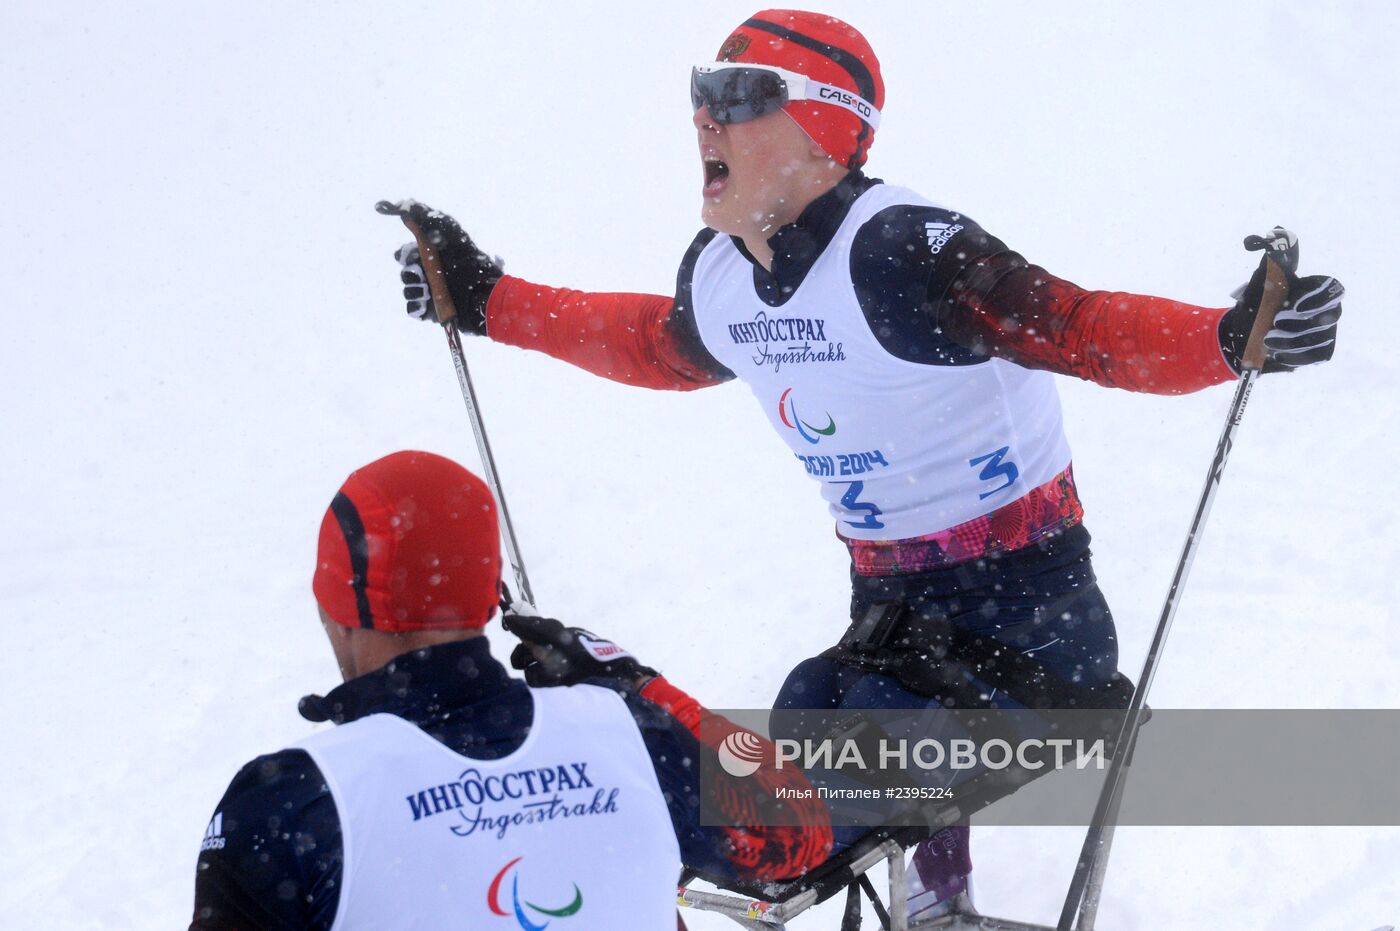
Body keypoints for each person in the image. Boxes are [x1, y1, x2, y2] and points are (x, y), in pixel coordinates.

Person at [383, 9, 1344, 919]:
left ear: (822, 130)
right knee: (770, 758)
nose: (705, 113)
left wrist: (1229, 338)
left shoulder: (902, 252)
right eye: (700, 88)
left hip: (1030, 644)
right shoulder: (722, 274)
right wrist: (487, 297)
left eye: (741, 90)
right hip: (885, 633)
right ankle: (933, 904)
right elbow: (651, 344)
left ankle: (628, 702)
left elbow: (1075, 326)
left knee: (755, 823)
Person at [188, 450, 832, 930]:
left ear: (333, 604)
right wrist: (634, 686)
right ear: (490, 592)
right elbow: (799, 834)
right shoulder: (625, 733)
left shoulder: (289, 802)